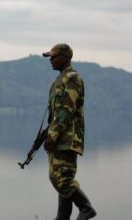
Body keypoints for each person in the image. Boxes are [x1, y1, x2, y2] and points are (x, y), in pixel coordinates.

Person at [42, 43, 97, 220]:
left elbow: (66, 110)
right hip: (60, 138)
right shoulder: (59, 79)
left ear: (66, 57)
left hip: (67, 138)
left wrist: (52, 135)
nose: (51, 60)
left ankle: (86, 208)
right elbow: (55, 112)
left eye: (54, 56)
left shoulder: (72, 78)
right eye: (50, 57)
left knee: (60, 178)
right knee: (61, 183)